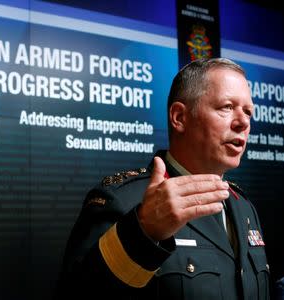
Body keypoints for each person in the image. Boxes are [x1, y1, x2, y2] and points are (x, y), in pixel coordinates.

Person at [55, 57, 270, 299]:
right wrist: (141, 231)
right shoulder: (125, 201)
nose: (243, 122)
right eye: (226, 107)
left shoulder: (244, 208)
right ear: (179, 117)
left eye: (248, 112)